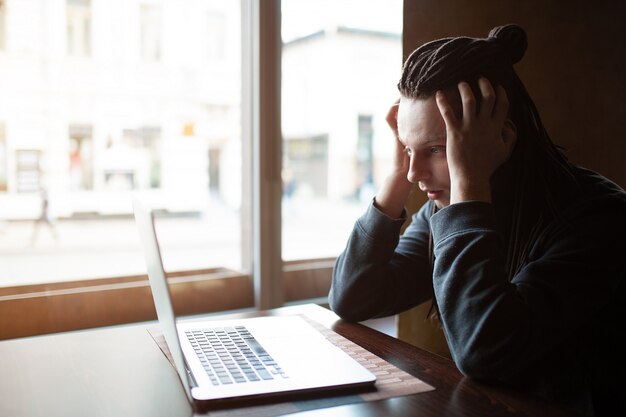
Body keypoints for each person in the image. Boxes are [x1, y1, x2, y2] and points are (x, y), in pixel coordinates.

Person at [329, 24, 625, 417]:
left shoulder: (598, 218)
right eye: (407, 148)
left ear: (500, 137)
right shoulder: (446, 208)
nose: (416, 172)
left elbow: (484, 350)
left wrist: (468, 184)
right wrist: (397, 179)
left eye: (434, 148)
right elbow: (353, 297)